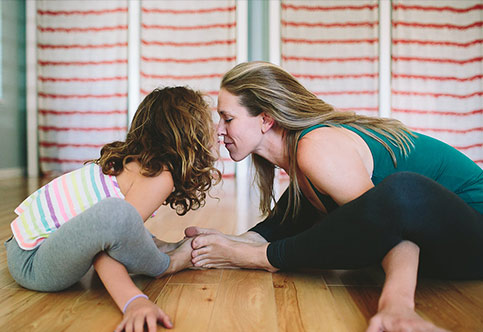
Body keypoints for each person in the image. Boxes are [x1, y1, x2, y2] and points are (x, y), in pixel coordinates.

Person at [185, 62, 483, 332]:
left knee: (399, 191)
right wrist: (204, 247)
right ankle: (257, 257)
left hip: (473, 230)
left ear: (265, 119)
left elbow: (390, 226)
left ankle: (261, 260)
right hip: (438, 244)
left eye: (227, 118)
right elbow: (277, 228)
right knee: (319, 224)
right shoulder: (299, 161)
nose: (219, 130)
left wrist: (397, 306)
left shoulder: (316, 147)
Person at [5, 87, 221, 332]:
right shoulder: (161, 176)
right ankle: (167, 263)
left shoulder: (136, 164)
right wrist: (133, 300)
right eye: (210, 122)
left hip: (24, 249)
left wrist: (164, 244)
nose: (217, 129)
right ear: (189, 134)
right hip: (34, 262)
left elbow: (121, 233)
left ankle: (169, 249)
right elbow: (106, 246)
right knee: (117, 217)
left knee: (123, 222)